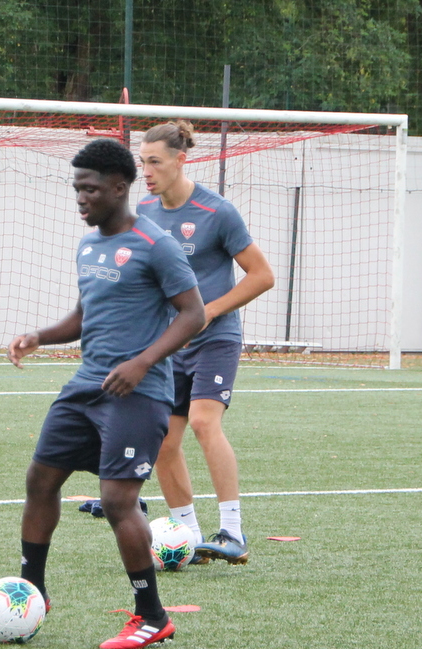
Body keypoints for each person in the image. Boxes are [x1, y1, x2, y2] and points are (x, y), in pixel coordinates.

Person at [8, 138, 205, 649]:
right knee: (40, 480)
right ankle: (32, 591)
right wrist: (39, 336)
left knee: (118, 501)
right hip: (86, 385)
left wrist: (142, 362)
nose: (81, 198)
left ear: (119, 188)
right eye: (77, 188)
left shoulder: (155, 244)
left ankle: (152, 617)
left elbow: (194, 314)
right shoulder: (88, 245)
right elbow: (83, 316)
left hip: (140, 392)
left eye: (90, 189)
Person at [136, 120, 275, 563]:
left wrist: (209, 312)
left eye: (155, 162)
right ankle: (190, 538)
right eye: (142, 163)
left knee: (202, 422)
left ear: (181, 160)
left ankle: (233, 532)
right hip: (170, 342)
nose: (147, 172)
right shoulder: (144, 210)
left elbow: (262, 275)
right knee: (163, 440)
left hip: (216, 337)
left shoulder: (218, 212)